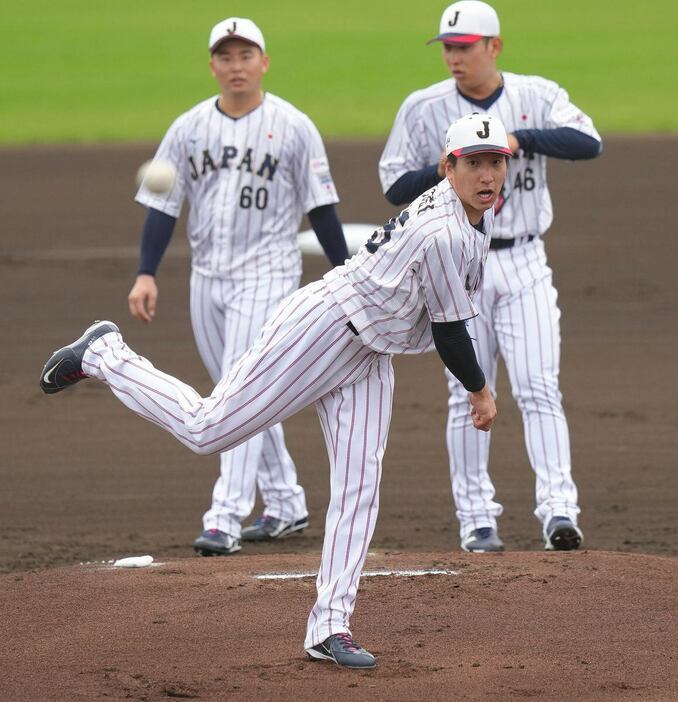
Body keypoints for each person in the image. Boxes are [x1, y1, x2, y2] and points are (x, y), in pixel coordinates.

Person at [40, 112, 509, 669]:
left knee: (360, 484)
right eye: (473, 163)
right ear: (448, 167)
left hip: (371, 351)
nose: (487, 175)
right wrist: (480, 392)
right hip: (325, 326)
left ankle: (330, 626)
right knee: (208, 429)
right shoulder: (444, 232)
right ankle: (105, 354)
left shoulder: (466, 213)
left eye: (496, 163)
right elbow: (449, 331)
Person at [379, 0, 602, 553]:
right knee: (466, 394)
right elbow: (392, 184)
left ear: (493, 47)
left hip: (525, 260)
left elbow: (588, 142)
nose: (454, 57)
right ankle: (477, 520)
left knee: (538, 388)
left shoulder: (536, 94)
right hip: (459, 261)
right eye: (448, 48)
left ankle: (559, 514)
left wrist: (520, 139)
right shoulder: (423, 107)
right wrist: (443, 168)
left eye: (465, 47)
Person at [127, 17, 349, 557]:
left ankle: (225, 516)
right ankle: (285, 502)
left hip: (268, 275)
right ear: (213, 66)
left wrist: (346, 272)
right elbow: (162, 206)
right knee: (242, 390)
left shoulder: (294, 127)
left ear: (264, 62)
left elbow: (321, 206)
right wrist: (145, 272)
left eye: (246, 55)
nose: (236, 66)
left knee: (234, 392)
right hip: (207, 278)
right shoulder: (187, 129)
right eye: (225, 57)